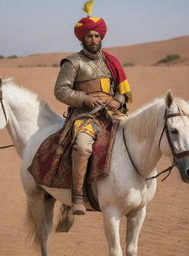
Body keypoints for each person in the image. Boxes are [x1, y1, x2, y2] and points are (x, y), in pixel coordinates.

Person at [54, 3, 132, 215]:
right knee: (82, 146)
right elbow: (60, 91)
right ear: (82, 38)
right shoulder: (72, 62)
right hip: (85, 115)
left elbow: (121, 90)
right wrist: (84, 99)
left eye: (97, 36)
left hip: (113, 112)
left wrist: (117, 100)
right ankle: (77, 196)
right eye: (89, 36)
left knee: (138, 137)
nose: (94, 40)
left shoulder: (111, 61)